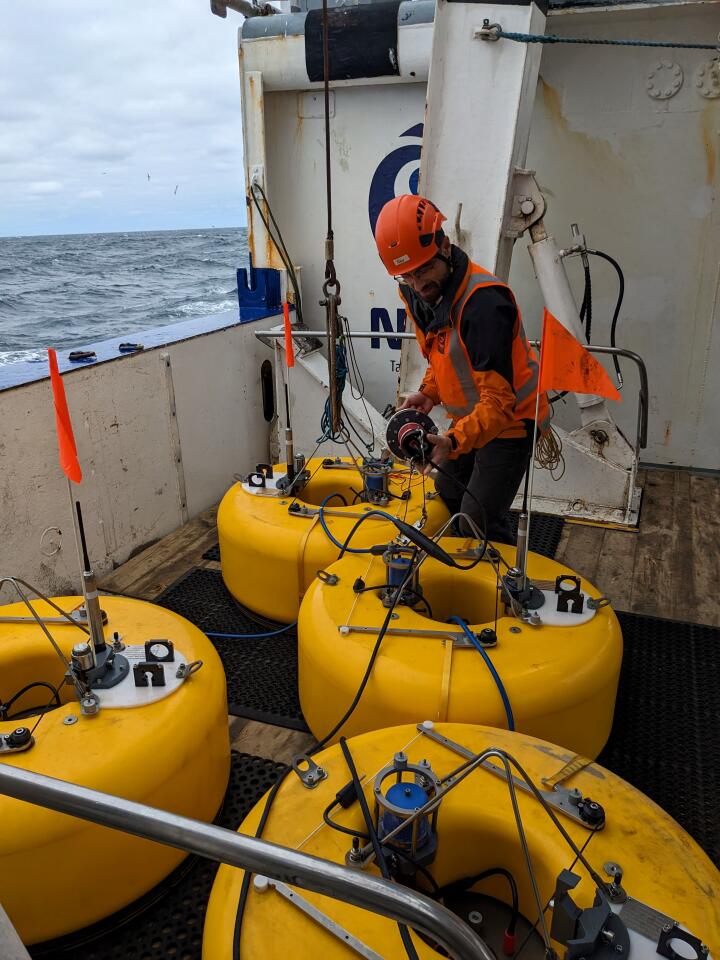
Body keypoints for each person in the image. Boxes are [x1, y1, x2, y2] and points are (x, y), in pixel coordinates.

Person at [374, 193, 549, 544]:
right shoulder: (416, 296)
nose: (418, 284)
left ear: (445, 246)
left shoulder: (484, 305)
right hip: (472, 418)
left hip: (513, 420)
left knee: (477, 519)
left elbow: (499, 404)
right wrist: (428, 392)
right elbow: (442, 355)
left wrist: (453, 441)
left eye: (424, 269)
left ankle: (502, 582)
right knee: (448, 492)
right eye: (406, 276)